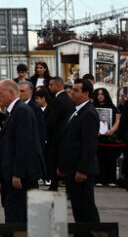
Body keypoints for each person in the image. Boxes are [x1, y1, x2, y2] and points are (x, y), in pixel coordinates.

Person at [0, 79, 45, 223]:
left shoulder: (21, 111)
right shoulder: (13, 111)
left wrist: (18, 174)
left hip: (20, 178)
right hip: (11, 173)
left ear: (11, 92)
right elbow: (10, 146)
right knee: (12, 213)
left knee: (17, 217)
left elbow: (24, 146)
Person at [58, 79, 101, 222]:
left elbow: (89, 145)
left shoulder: (88, 113)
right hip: (72, 169)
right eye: (71, 89)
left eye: (76, 90)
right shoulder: (76, 111)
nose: (72, 93)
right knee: (78, 209)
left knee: (86, 210)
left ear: (86, 93)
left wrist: (82, 169)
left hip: (82, 171)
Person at [45, 77, 73, 190]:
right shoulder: (66, 98)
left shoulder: (58, 100)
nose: (49, 87)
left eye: (51, 85)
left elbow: (52, 120)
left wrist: (46, 131)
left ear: (57, 85)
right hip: (64, 136)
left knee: (55, 161)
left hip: (57, 137)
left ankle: (54, 186)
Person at [92, 87, 121, 186]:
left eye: (102, 94)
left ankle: (111, 179)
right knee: (99, 159)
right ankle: (99, 179)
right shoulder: (93, 107)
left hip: (109, 139)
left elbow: (117, 120)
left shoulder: (113, 108)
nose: (100, 96)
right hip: (98, 138)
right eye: (98, 94)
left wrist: (112, 130)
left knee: (110, 159)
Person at [18, 81, 47, 155]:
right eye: (18, 91)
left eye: (22, 91)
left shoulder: (35, 108)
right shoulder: (17, 106)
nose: (19, 93)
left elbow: (40, 130)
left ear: (30, 93)